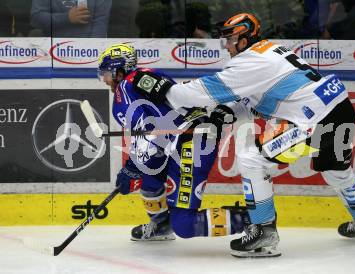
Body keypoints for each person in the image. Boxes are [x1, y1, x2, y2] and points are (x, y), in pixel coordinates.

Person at [138, 13, 355, 258]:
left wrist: (165, 89)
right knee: (337, 171)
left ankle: (264, 232)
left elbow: (193, 94)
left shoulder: (248, 63)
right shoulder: (268, 52)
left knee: (252, 160)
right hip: (338, 107)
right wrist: (225, 113)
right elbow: (255, 100)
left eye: (230, 39)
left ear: (244, 39)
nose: (226, 45)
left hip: (314, 118)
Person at [97, 44, 249, 242]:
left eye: (107, 74)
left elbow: (147, 136)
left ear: (118, 71)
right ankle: (161, 225)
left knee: (185, 225)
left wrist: (131, 169)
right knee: (150, 181)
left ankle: (253, 220)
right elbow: (156, 131)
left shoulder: (125, 90)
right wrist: (136, 168)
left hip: (191, 140)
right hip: (185, 136)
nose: (105, 80)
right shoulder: (144, 75)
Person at [30, 0, 112, 37]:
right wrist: (66, 18)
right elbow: (36, 18)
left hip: (88, 52)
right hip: (53, 51)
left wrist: (91, 50)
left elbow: (100, 22)